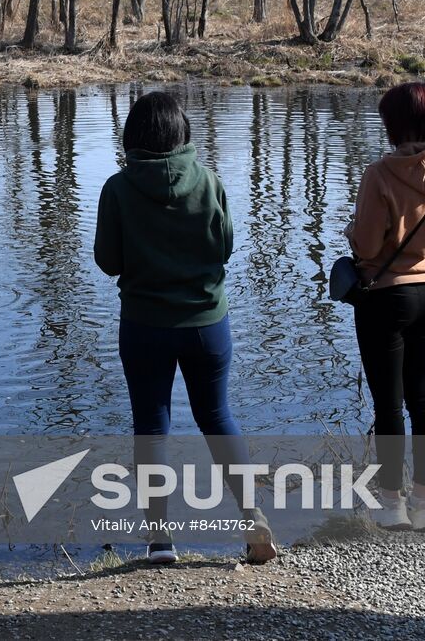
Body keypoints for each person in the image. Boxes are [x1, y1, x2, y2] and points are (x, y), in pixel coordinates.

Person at [93, 91, 277, 565]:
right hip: (207, 325)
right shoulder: (210, 183)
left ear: (133, 136)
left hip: (144, 325)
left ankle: (160, 543)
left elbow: (107, 261)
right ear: (182, 134)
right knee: (218, 417)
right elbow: (224, 249)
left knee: (152, 426)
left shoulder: (117, 188)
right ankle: (253, 519)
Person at [347, 81, 425, 532]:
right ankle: (424, 504)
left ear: (394, 126)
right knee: (422, 397)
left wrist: (353, 234)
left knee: (388, 404)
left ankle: (392, 504)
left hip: (385, 297)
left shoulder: (379, 175)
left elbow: (364, 244)